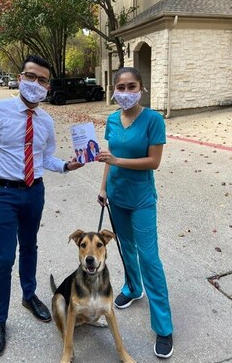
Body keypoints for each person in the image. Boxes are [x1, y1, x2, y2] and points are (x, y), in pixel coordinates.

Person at [0, 55, 83, 357]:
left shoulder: (45, 120)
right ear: (21, 77)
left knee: (30, 247)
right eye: (30, 77)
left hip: (34, 192)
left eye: (42, 80)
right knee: (3, 258)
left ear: (48, 86)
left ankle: (29, 295)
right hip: (3, 193)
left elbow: (46, 158)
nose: (35, 84)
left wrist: (67, 165)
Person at [97, 67, 174, 359]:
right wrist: (103, 188)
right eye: (121, 87)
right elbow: (109, 156)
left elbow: (154, 162)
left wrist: (117, 159)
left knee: (149, 258)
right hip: (117, 197)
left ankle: (164, 327)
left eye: (132, 86)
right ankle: (132, 288)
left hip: (142, 199)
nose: (126, 92)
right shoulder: (113, 119)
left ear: (141, 89)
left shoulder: (153, 119)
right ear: (114, 89)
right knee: (126, 248)